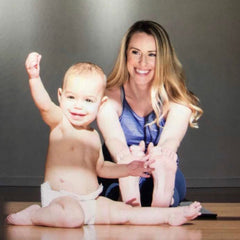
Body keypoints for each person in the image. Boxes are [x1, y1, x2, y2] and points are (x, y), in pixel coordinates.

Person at [6, 52, 201, 228]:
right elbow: (44, 105)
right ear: (60, 96)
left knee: (125, 212)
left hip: (91, 200)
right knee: (72, 217)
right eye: (71, 97)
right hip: (61, 200)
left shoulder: (93, 136)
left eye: (88, 100)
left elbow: (101, 168)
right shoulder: (60, 122)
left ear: (101, 104)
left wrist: (128, 169)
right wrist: (34, 78)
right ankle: (35, 214)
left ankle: (169, 215)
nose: (78, 106)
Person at [97, 20, 203, 207]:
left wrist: (159, 158)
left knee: (165, 176)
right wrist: (127, 161)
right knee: (108, 187)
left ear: (163, 59)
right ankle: (125, 196)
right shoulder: (108, 98)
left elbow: (171, 141)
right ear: (125, 56)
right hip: (118, 168)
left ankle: (163, 196)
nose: (142, 62)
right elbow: (114, 141)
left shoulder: (178, 102)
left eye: (152, 55)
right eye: (135, 52)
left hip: (155, 170)